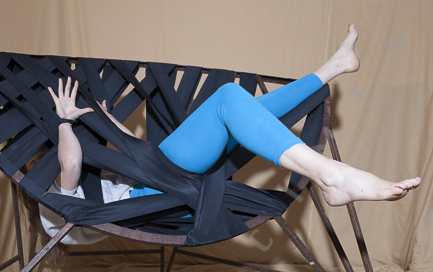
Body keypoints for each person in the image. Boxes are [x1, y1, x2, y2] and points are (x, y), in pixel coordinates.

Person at [26, 24, 421, 253]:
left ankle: (334, 67)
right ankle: (332, 176)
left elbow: (134, 153)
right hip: (164, 191)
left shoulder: (85, 191)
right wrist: (62, 122)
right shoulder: (54, 206)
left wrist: (105, 121)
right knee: (229, 99)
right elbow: (71, 162)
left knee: (243, 112)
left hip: (162, 180)